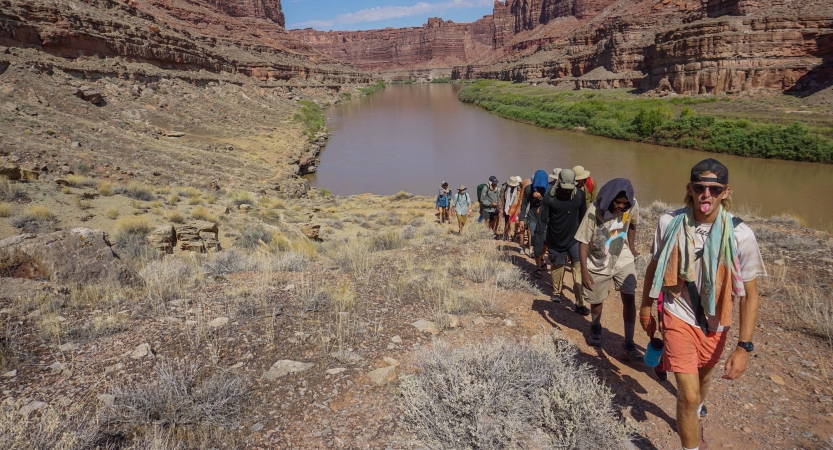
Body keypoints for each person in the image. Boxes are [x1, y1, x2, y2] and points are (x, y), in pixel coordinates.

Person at [639, 158, 765, 450]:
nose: (706, 195)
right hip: (676, 315)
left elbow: (750, 295)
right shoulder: (669, 223)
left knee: (702, 387)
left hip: (716, 324)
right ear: (690, 189)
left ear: (726, 192)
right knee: (690, 395)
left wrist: (744, 346)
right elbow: (654, 267)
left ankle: (693, 419)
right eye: (700, 187)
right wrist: (646, 306)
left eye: (715, 189)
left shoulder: (741, 235)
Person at [574, 178, 643, 361]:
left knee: (629, 296)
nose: (621, 206)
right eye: (617, 202)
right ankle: (596, 329)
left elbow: (633, 224)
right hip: (598, 260)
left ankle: (629, 343)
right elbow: (582, 241)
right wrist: (584, 271)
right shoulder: (593, 211)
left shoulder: (632, 205)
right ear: (610, 198)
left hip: (622, 257)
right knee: (597, 300)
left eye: (624, 203)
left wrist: (633, 246)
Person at [533, 169, 590, 315]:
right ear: (558, 183)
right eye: (564, 189)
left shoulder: (579, 196)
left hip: (574, 240)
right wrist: (538, 245)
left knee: (578, 269)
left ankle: (579, 303)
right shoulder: (549, 198)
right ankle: (557, 293)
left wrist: (586, 239)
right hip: (555, 239)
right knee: (557, 267)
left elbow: (584, 218)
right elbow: (541, 222)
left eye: (569, 189)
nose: (566, 192)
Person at [519, 170, 548, 269]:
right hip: (533, 218)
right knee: (536, 240)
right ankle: (538, 267)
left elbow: (552, 203)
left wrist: (541, 199)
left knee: (544, 241)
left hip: (545, 218)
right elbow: (523, 205)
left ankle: (542, 257)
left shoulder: (550, 190)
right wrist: (521, 219)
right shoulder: (528, 189)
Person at [498, 176, 522, 241]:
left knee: (514, 221)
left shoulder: (518, 188)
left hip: (515, 206)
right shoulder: (504, 188)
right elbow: (501, 198)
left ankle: (514, 233)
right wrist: (500, 208)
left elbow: (520, 198)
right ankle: (508, 234)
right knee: (507, 221)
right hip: (506, 206)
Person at [518, 177, 532, 254]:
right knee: (522, 231)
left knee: (530, 232)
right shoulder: (521, 193)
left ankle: (531, 249)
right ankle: (522, 246)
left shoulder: (534, 192)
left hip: (531, 215)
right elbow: (518, 204)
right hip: (523, 214)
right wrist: (519, 216)